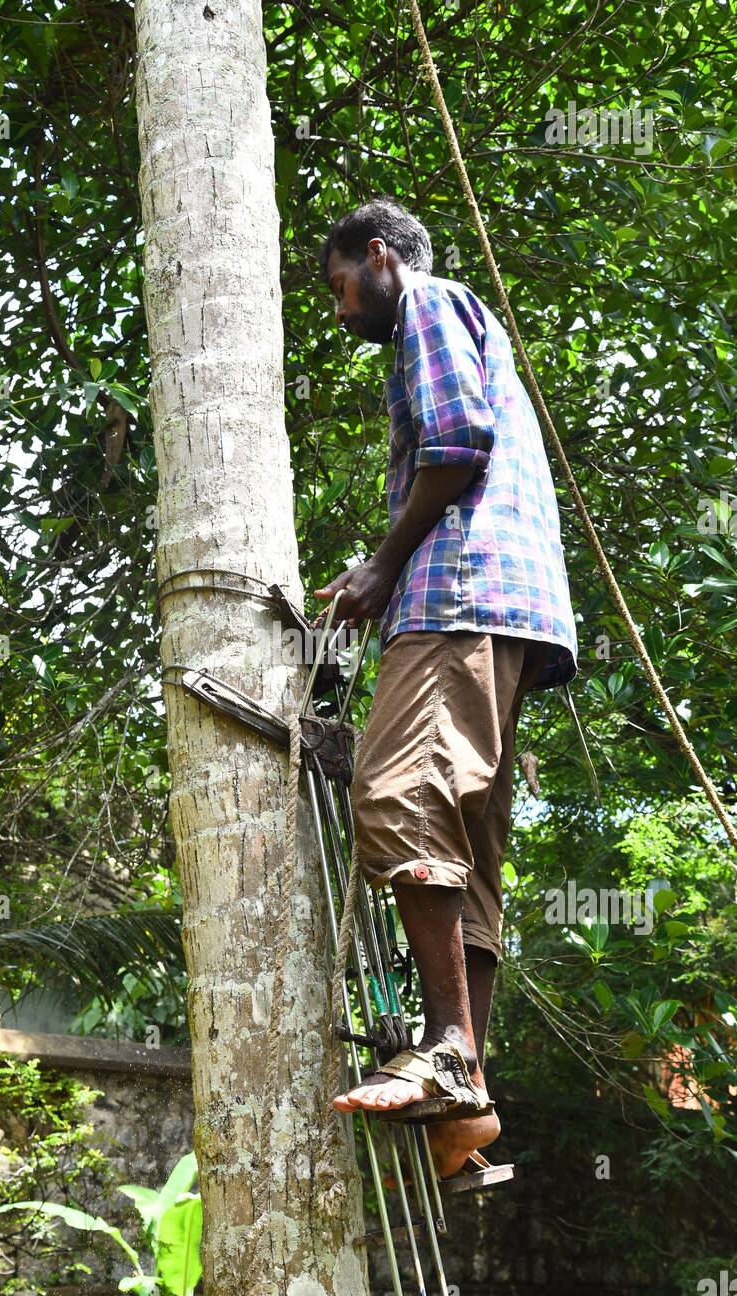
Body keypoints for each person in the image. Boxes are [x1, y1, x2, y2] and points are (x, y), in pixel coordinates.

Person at [313, 198, 578, 1178]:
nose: (342, 312)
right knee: (465, 842)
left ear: (380, 257)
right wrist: (376, 566)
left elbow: (456, 440)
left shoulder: (428, 302)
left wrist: (383, 568)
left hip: (457, 594)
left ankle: (451, 1054)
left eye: (341, 286)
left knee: (398, 796)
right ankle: (466, 1122)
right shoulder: (480, 326)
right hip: (511, 612)